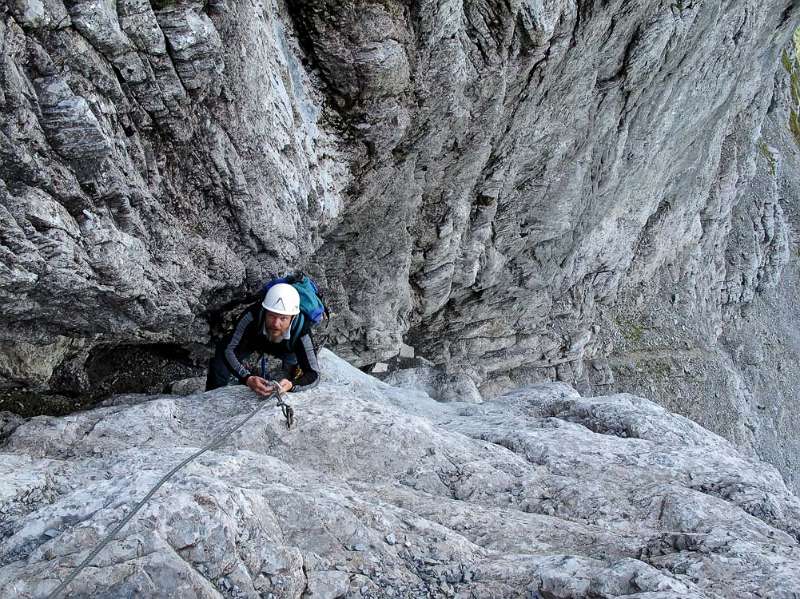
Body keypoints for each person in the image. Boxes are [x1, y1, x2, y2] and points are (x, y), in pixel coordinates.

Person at [205, 283, 320, 395]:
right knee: (219, 363)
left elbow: (314, 375)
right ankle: (211, 399)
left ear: (293, 318)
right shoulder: (253, 315)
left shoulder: (301, 331)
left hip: (287, 348)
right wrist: (247, 378)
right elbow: (228, 349)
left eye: (283, 318)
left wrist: (291, 384)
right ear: (265, 311)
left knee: (286, 378)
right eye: (271, 316)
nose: (276, 324)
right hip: (256, 341)